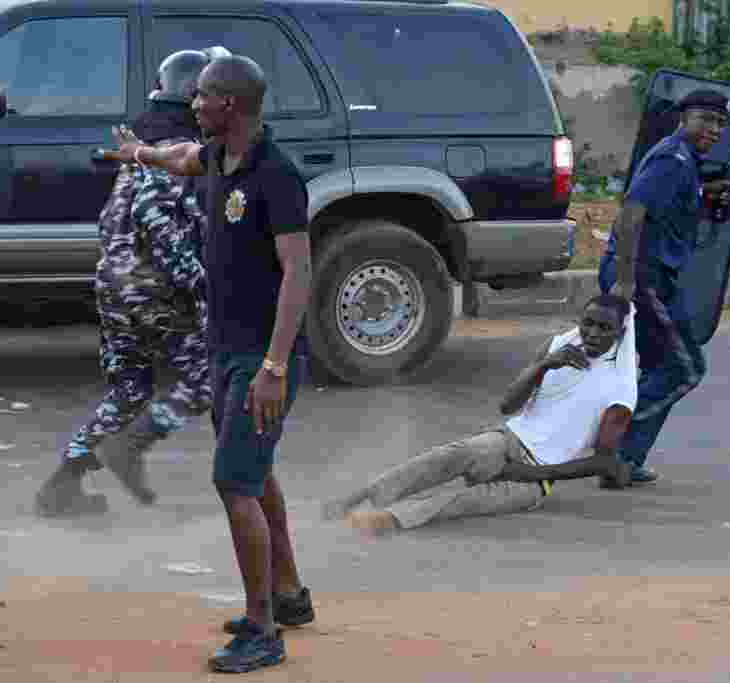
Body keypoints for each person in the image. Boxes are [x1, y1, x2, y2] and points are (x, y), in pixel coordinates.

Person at [98, 54, 313, 674]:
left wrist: (274, 365)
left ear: (231, 105)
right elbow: (181, 158)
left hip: (260, 358)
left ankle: (261, 630)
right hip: (224, 346)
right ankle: (289, 595)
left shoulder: (276, 174)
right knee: (255, 468)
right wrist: (139, 154)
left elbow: (299, 271)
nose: (192, 105)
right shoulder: (218, 156)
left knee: (234, 480)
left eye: (201, 98)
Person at [35, 48, 224, 518]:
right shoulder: (174, 151)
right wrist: (200, 285)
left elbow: (111, 220)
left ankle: (62, 486)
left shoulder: (142, 150)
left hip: (115, 286)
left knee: (130, 392)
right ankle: (132, 446)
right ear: (192, 99)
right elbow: (153, 217)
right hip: (152, 289)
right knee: (206, 380)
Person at [324, 295, 637, 534]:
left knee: (467, 501)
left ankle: (388, 519)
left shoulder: (620, 390)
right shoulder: (559, 347)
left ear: (621, 333)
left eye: (604, 328)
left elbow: (603, 461)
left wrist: (532, 475)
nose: (592, 333)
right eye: (588, 324)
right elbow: (507, 407)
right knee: (447, 456)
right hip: (506, 441)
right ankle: (366, 495)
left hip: (537, 475)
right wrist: (542, 367)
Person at [599, 89, 730, 485]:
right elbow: (631, 213)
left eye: (720, 123)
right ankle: (613, 444)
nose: (713, 129)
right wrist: (625, 281)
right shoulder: (672, 159)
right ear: (684, 118)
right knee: (684, 368)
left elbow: (672, 203)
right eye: (705, 119)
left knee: (661, 366)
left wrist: (704, 193)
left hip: (653, 276)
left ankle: (622, 461)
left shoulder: (687, 163)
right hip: (644, 277)